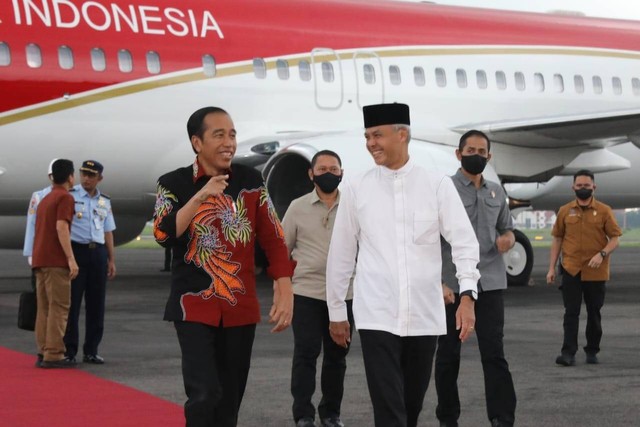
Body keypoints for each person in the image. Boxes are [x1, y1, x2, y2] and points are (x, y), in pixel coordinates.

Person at [326, 103, 480, 427]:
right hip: (376, 315)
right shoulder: (356, 187)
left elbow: (464, 242)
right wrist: (337, 310)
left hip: (424, 315)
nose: (371, 143)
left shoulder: (436, 184)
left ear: (403, 134)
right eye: (367, 136)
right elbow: (341, 253)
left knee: (410, 408)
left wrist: (468, 295)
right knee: (389, 411)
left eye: (378, 135)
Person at [153, 106, 295, 427]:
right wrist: (202, 195)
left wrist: (284, 284)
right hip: (192, 307)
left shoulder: (250, 181)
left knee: (229, 404)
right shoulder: (172, 183)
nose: (229, 142)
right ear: (197, 142)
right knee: (204, 394)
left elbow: (273, 235)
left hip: (239, 307)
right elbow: (163, 233)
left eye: (232, 134)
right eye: (219, 135)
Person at [435, 130, 517, 427]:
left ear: (489, 157)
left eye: (482, 151)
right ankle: (447, 418)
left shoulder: (496, 191)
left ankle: (502, 417)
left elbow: (508, 229)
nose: (477, 155)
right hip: (453, 285)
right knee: (447, 356)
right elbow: (430, 240)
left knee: (494, 353)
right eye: (471, 150)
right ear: (458, 154)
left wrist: (507, 239)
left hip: (490, 282)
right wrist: (439, 281)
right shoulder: (444, 189)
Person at [282, 150, 354, 427]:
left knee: (337, 356)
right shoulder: (297, 207)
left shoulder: (353, 207)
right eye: (322, 169)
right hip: (307, 293)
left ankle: (331, 413)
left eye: (334, 169)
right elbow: (282, 249)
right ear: (311, 174)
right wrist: (283, 289)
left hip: (346, 294)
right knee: (306, 353)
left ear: (342, 173)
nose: (328, 173)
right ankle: (303, 414)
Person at [546, 169, 622, 366]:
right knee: (571, 313)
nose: (583, 189)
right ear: (573, 187)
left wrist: (602, 253)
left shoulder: (604, 211)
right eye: (579, 186)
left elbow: (615, 238)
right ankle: (568, 353)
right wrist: (552, 268)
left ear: (594, 187)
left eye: (586, 186)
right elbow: (557, 239)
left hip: (596, 271)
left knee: (594, 313)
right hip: (571, 269)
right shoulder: (565, 210)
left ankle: (592, 350)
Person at [63, 160, 117, 364]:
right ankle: (69, 350)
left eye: (91, 175)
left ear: (99, 178)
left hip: (98, 254)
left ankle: (91, 350)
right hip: (77, 251)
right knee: (73, 304)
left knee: (96, 305)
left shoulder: (104, 201)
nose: (86, 178)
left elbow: (108, 230)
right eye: (84, 174)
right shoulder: (71, 196)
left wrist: (111, 259)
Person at [32, 159, 79, 368]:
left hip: (40, 260)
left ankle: (43, 350)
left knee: (44, 308)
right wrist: (70, 258)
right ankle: (54, 353)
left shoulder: (45, 199)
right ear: (70, 177)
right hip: (55, 261)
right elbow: (61, 227)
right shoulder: (65, 198)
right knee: (59, 307)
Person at [23, 159, 57, 265]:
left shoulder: (73, 195)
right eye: (53, 175)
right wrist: (30, 252)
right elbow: (32, 224)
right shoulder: (39, 196)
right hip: (45, 249)